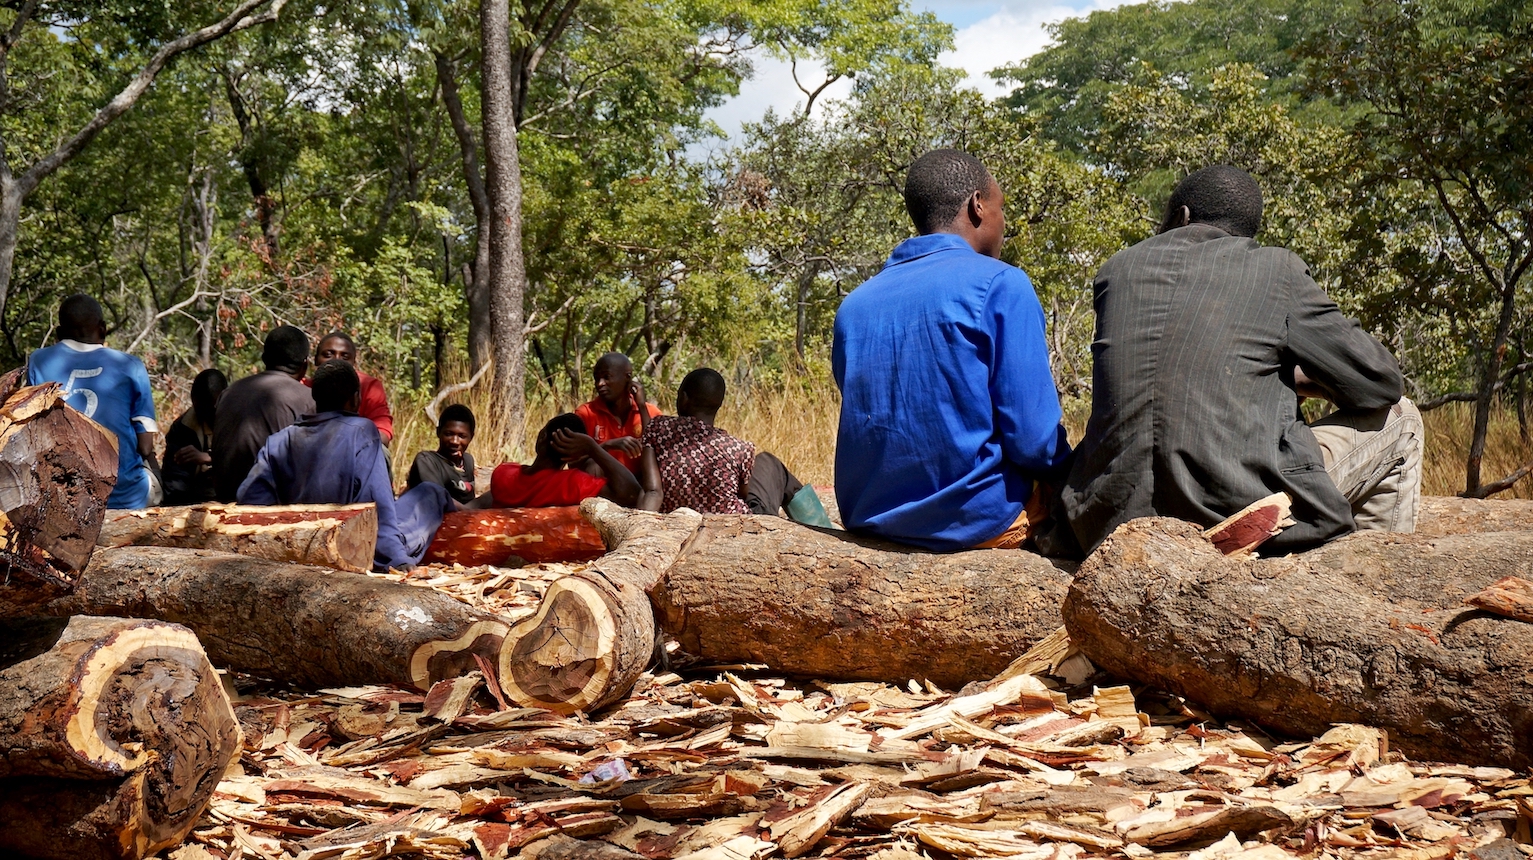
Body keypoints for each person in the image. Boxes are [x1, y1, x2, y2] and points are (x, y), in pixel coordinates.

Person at [1063, 165, 1422, 555]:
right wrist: (1303, 379)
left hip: (1107, 518)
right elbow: (1381, 383)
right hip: (1233, 513)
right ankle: (1371, 566)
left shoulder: (1116, 271)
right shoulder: (1275, 268)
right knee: (1402, 418)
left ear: (1180, 216)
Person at [831, 149, 1071, 551]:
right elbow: (1034, 442)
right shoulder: (1001, 284)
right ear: (978, 205)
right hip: (975, 519)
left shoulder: (854, 305)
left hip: (868, 520)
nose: (1004, 223)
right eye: (1001, 208)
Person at [238, 360, 451, 571]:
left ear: (314, 396)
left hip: (296, 544)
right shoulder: (362, 432)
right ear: (355, 399)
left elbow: (252, 504)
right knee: (430, 492)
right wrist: (397, 560)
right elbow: (378, 506)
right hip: (353, 546)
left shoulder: (278, 440)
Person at [644, 367, 832, 525]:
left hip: (678, 521)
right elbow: (742, 493)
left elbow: (652, 489)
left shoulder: (658, 428)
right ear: (719, 404)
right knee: (770, 462)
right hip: (736, 527)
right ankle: (821, 528)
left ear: (684, 398)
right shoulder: (739, 448)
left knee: (765, 464)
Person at [26, 294, 159, 509]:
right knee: (153, 477)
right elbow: (145, 446)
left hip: (65, 499)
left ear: (59, 334)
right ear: (103, 329)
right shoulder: (130, 365)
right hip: (125, 498)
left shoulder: (39, 361)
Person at [475, 410, 660, 509]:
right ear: (575, 455)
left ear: (541, 437)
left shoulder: (503, 473)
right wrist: (593, 448)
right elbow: (632, 494)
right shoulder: (572, 484)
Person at [212, 325, 315, 502]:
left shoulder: (230, 392)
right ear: (304, 365)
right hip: (274, 510)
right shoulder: (308, 399)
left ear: (264, 359)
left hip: (225, 503)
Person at [574, 352, 661, 470]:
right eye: (597, 379)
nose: (600, 384)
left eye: (606, 377)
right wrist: (607, 446)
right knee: (593, 468)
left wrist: (641, 407)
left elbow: (660, 456)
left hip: (641, 486)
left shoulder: (651, 413)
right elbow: (574, 464)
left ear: (628, 378)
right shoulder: (585, 414)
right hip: (600, 485)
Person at [304, 331, 394, 443]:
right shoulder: (304, 386)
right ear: (316, 359)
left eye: (345, 357)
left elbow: (383, 433)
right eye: (328, 354)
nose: (336, 360)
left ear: (354, 363)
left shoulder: (369, 386)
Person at [161, 368, 228, 505]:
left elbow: (248, 460)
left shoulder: (241, 420)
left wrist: (210, 458)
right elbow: (174, 481)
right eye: (200, 409)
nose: (205, 415)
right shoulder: (183, 427)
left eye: (212, 409)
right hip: (195, 499)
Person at [406, 404, 477, 505]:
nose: (455, 441)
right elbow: (438, 500)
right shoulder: (427, 461)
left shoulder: (468, 461)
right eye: (449, 434)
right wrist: (473, 508)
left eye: (462, 436)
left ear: (471, 437)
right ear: (438, 432)